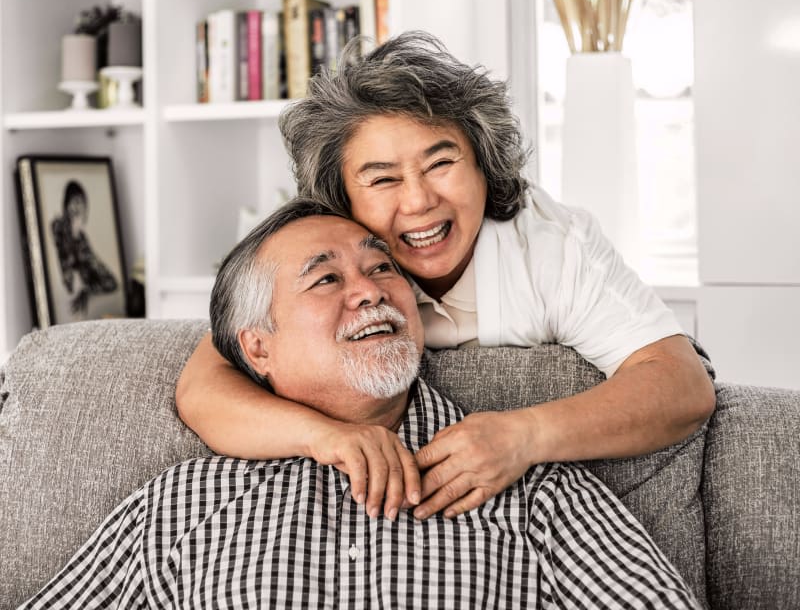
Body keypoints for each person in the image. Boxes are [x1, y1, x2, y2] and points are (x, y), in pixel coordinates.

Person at [22, 199, 699, 608]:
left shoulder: (536, 488)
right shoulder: (184, 504)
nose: (372, 290)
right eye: (326, 279)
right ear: (259, 349)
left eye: (382, 268)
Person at [176, 31, 715, 522]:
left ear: (485, 163)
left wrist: (525, 435)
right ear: (340, 201)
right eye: (383, 179)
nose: (419, 202)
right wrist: (329, 436)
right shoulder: (340, 258)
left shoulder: (556, 246)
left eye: (441, 164)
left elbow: (682, 386)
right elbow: (207, 383)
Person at [51, 180, 118, 316]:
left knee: (111, 283)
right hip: (69, 291)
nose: (78, 207)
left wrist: (88, 289)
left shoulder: (81, 237)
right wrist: (73, 236)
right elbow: (67, 270)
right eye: (75, 202)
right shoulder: (58, 226)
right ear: (67, 204)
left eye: (81, 203)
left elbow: (94, 264)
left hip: (88, 283)